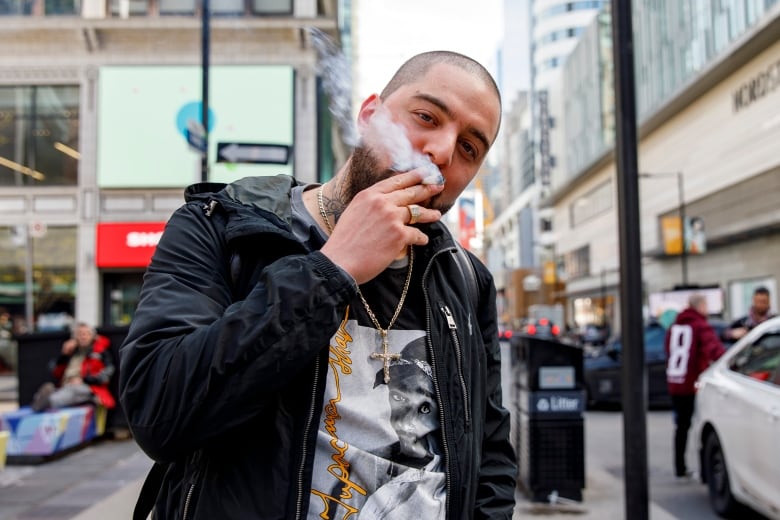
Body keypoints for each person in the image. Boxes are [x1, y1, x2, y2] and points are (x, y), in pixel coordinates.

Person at [119, 51, 517, 519]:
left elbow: (489, 456)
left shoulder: (467, 280)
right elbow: (158, 413)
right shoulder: (219, 228)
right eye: (426, 117)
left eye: (469, 148)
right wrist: (333, 269)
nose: (443, 153)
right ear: (370, 115)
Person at [664, 294, 726, 478]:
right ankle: (705, 472)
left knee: (681, 426)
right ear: (700, 306)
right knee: (700, 426)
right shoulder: (699, 325)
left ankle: (679, 466)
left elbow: (668, 350)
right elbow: (714, 350)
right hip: (692, 384)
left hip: (675, 381)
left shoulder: (675, 326)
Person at [31, 322, 116, 412]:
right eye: (80, 334)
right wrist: (64, 355)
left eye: (86, 334)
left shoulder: (100, 352)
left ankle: (46, 402)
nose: (83, 337)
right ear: (75, 338)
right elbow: (54, 371)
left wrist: (83, 379)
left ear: (93, 336)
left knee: (73, 390)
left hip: (90, 389)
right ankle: (43, 400)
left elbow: (107, 375)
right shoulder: (72, 353)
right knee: (54, 388)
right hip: (65, 386)